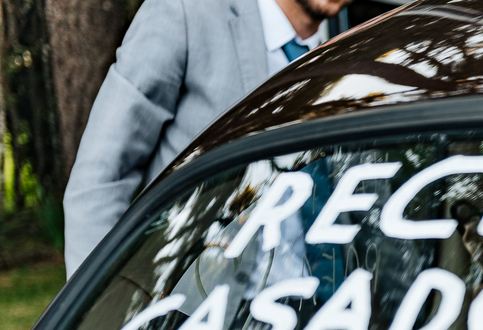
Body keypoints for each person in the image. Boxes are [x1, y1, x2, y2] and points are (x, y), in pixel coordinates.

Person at [62, 0, 355, 277]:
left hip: (324, 308)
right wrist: (105, 319)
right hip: (199, 308)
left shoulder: (361, 45)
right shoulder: (185, 11)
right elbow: (100, 180)